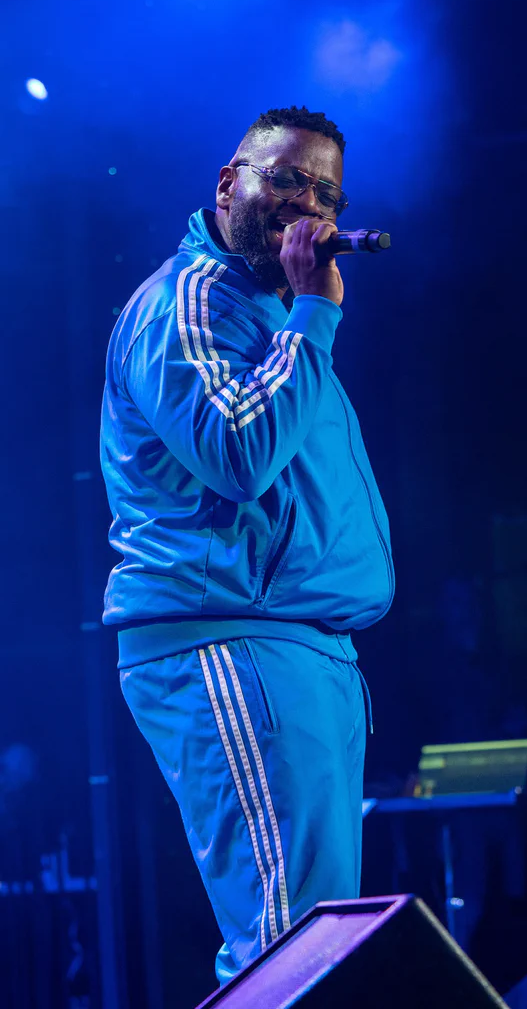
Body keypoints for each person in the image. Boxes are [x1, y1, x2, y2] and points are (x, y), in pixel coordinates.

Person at [100, 105, 394, 983]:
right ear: (229, 183)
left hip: (303, 646)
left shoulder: (271, 316)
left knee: (317, 938)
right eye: (283, 178)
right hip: (227, 638)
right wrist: (312, 316)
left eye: (324, 192)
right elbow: (236, 457)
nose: (305, 204)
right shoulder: (188, 302)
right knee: (288, 942)